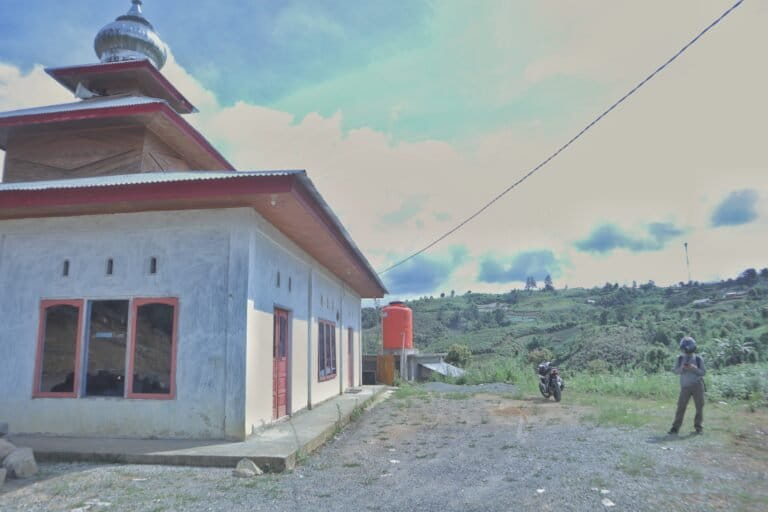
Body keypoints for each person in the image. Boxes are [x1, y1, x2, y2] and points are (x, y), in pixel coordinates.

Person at [668, 336, 706, 435]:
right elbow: (675, 371)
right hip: (685, 387)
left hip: (697, 385)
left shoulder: (698, 359)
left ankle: (699, 427)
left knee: (699, 407)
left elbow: (703, 372)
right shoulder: (680, 358)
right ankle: (675, 428)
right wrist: (682, 369)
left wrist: (694, 369)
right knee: (681, 407)